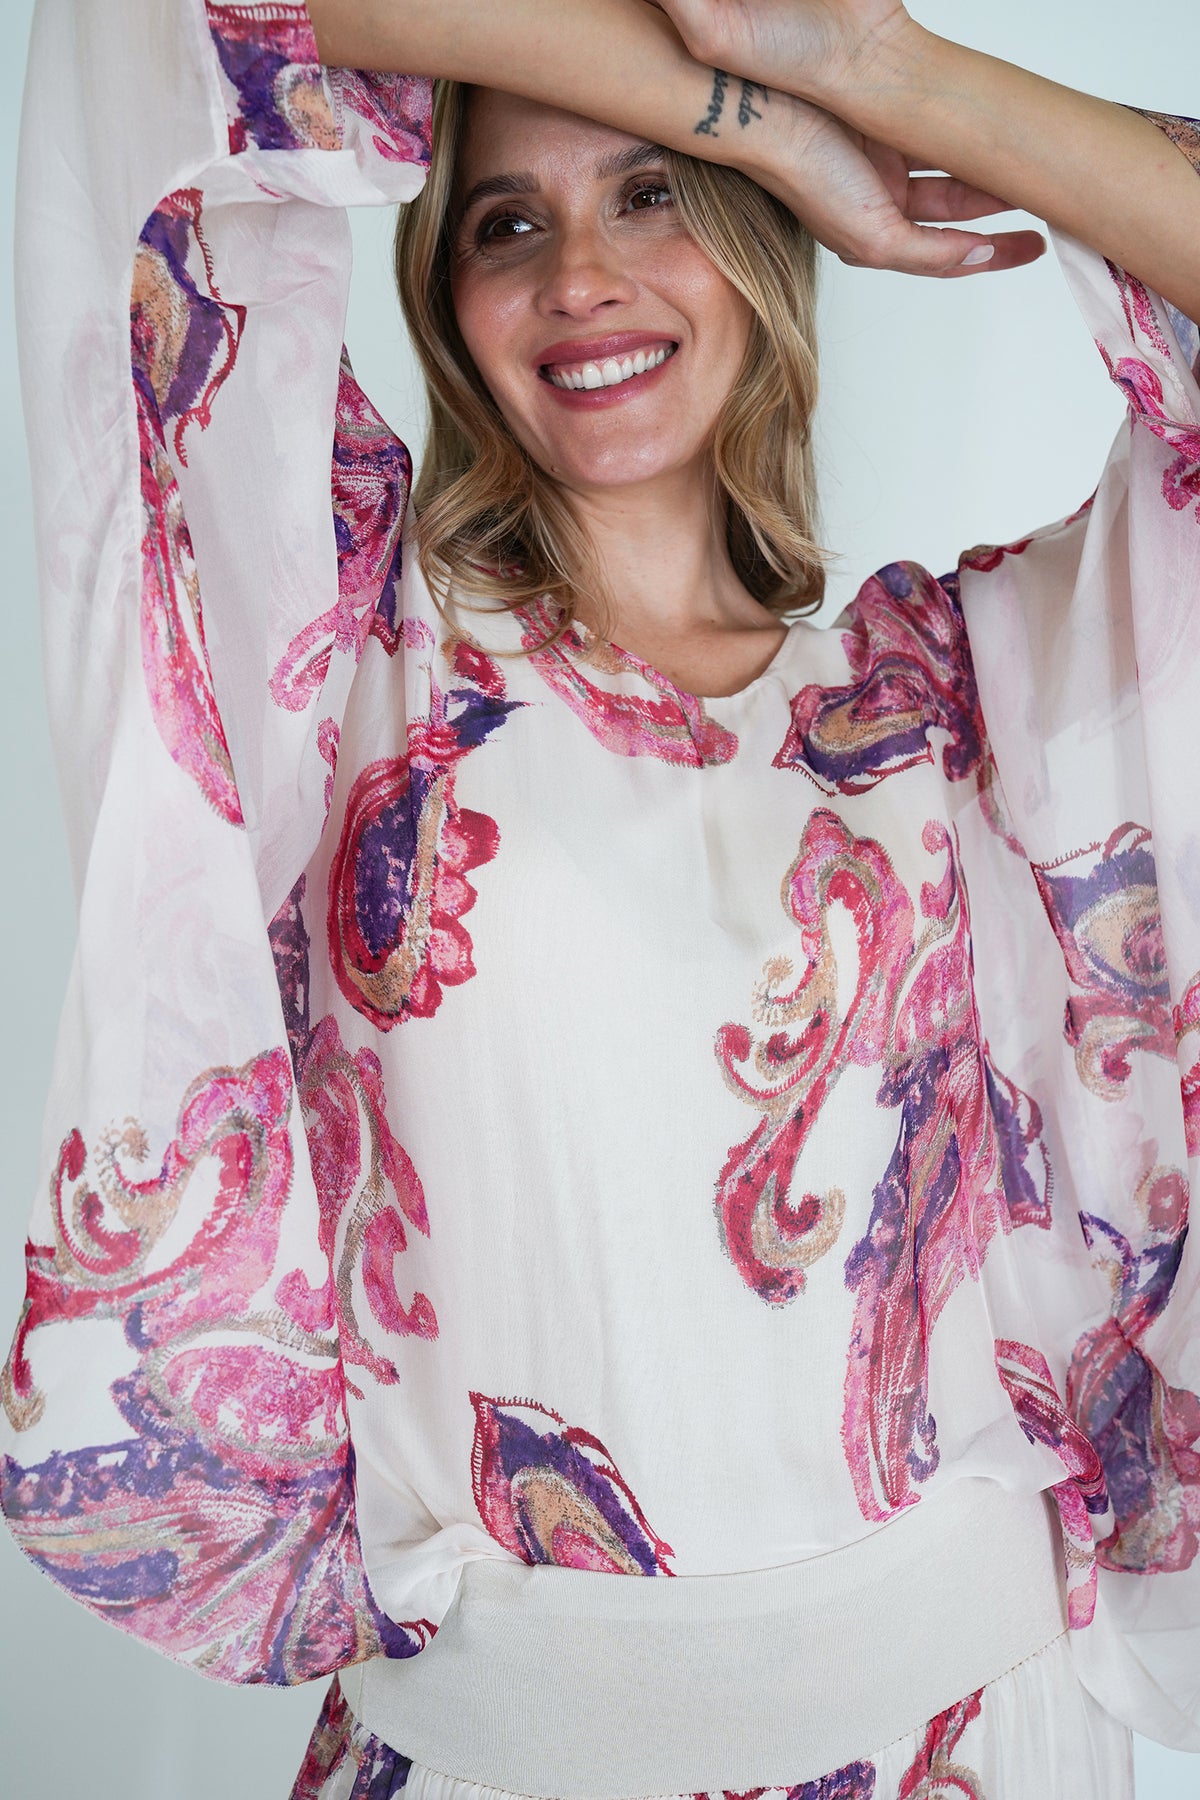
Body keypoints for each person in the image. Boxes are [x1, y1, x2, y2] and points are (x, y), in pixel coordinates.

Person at [1, 1, 1198, 1796]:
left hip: (976, 1742)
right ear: (445, 303)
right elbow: (147, 41)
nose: (579, 276)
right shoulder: (336, 670)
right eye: (505, 222)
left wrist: (863, 76)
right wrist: (739, 118)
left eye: (653, 197)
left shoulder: (952, 705)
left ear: (751, 246)